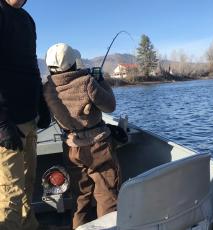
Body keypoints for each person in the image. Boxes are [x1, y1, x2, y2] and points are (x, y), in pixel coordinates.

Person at [44, 43, 121, 229]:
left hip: (71, 148)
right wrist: (100, 80)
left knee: (80, 197)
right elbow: (110, 106)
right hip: (98, 147)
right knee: (107, 196)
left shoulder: (47, 89)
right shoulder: (87, 81)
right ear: (73, 63)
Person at [0, 0, 51, 229]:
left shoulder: (27, 20)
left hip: (29, 119)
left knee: (28, 185)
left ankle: (29, 226)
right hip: (8, 122)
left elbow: (31, 65)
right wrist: (2, 124)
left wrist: (42, 103)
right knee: (10, 192)